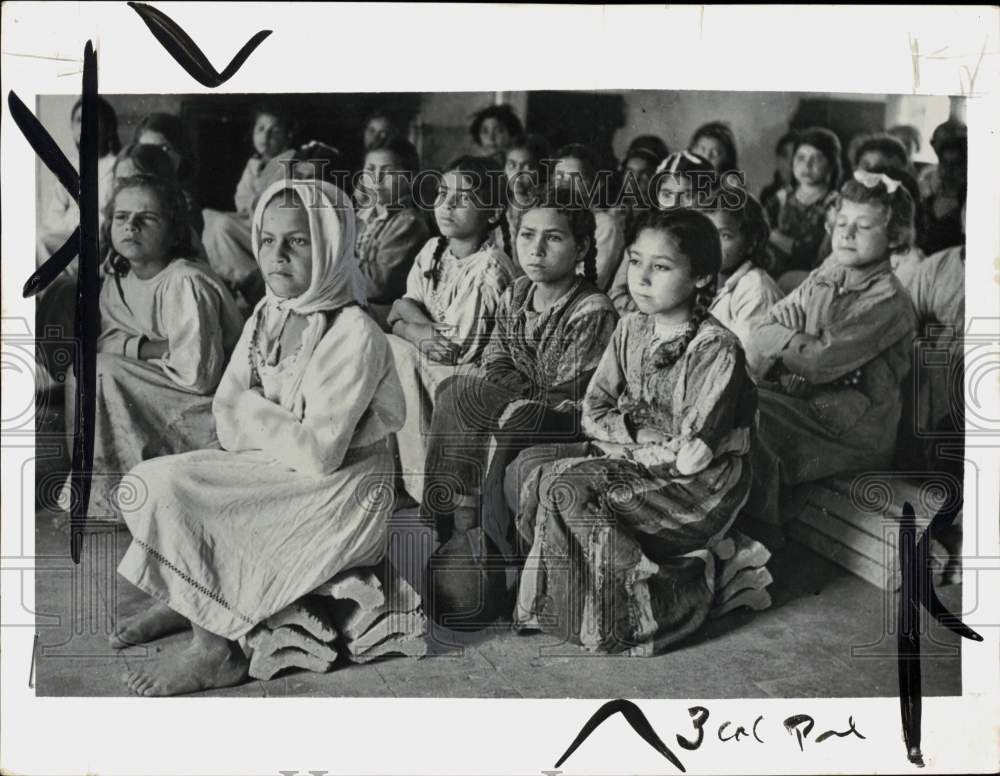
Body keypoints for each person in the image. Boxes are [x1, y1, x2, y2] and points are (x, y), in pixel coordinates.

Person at [114, 179, 405, 696]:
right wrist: (257, 419)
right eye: (267, 241)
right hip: (279, 465)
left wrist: (253, 410)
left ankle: (215, 652)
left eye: (298, 241)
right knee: (145, 480)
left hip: (342, 491)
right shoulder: (270, 312)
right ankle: (189, 599)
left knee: (174, 490)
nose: (277, 256)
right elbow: (225, 419)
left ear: (332, 244)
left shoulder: (353, 332)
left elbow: (318, 453)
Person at [507, 208, 758, 654]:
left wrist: (613, 451)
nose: (641, 278)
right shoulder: (632, 327)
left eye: (660, 267)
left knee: (570, 484)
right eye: (636, 261)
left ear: (700, 277)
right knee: (532, 468)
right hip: (643, 460)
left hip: (698, 485)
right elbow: (594, 409)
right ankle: (569, 604)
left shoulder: (716, 348)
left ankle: (669, 599)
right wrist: (633, 436)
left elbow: (690, 454)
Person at [422, 186, 618, 627]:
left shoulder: (592, 309)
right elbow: (494, 362)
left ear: (582, 246)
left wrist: (518, 385)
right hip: (528, 404)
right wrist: (519, 383)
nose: (536, 249)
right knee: (456, 390)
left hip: (570, 419)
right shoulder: (518, 292)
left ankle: (492, 546)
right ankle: (448, 525)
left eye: (554, 238)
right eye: (528, 236)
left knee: (505, 415)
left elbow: (565, 390)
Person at [60, 174, 242, 519]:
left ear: (175, 232)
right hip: (160, 389)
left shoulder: (186, 280)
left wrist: (130, 356)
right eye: (122, 217)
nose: (132, 226)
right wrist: (154, 348)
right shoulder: (119, 278)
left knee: (100, 370)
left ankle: (132, 496)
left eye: (148, 218)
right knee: (85, 368)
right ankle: (102, 488)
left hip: (207, 408)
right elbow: (108, 341)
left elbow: (198, 373)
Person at [745, 171, 918, 530]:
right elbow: (761, 328)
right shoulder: (829, 270)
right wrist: (793, 340)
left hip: (854, 431)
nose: (847, 233)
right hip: (812, 406)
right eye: (841, 222)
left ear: (895, 236)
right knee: (733, 395)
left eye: (864, 226)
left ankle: (761, 534)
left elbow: (819, 362)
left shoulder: (887, 299)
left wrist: (786, 340)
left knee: (752, 412)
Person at [386, 156, 517, 503]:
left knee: (396, 354)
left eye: (465, 197)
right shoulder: (433, 250)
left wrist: (404, 321)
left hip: (473, 371)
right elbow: (406, 304)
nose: (448, 204)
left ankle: (420, 483)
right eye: (443, 193)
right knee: (387, 348)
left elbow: (454, 347)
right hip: (434, 354)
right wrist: (412, 327)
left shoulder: (489, 270)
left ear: (492, 213)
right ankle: (388, 469)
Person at [201, 105, 296, 311]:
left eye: (275, 131)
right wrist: (252, 199)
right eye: (260, 129)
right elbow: (240, 198)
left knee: (222, 225)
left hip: (272, 228)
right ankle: (233, 277)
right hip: (252, 220)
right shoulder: (254, 163)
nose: (266, 135)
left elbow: (275, 202)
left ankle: (245, 278)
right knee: (208, 216)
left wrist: (255, 199)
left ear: (288, 137)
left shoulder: (291, 163)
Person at [608, 150, 716, 313]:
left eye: (687, 195)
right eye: (667, 194)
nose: (674, 204)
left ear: (705, 199)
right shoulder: (643, 239)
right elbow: (617, 294)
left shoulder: (714, 247)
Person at [353, 137, 432, 328]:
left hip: (384, 319)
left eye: (388, 171)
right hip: (358, 310)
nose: (376, 179)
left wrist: (336, 262)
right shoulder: (363, 216)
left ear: (409, 178)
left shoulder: (409, 222)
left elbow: (377, 285)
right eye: (370, 169)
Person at [705, 192, 784, 355]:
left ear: (751, 242)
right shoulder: (705, 281)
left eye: (725, 236)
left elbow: (747, 364)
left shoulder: (757, 292)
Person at [767, 127, 842, 293]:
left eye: (816, 159)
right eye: (801, 158)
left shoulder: (836, 203)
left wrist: (774, 236)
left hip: (815, 280)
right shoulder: (780, 199)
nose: (807, 165)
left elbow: (814, 254)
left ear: (830, 165)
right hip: (774, 277)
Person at [553, 143, 626, 291]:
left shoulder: (604, 225)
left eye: (576, 178)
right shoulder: (549, 216)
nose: (564, 185)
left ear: (596, 184)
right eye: (559, 176)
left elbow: (591, 282)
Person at [501, 133, 552, 270]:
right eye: (511, 165)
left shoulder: (548, 211)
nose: (518, 173)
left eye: (528, 167)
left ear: (541, 171)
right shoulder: (499, 208)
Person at [759, 130, 798, 220]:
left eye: (795, 157)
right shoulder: (768, 194)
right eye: (785, 156)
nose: (790, 163)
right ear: (777, 159)